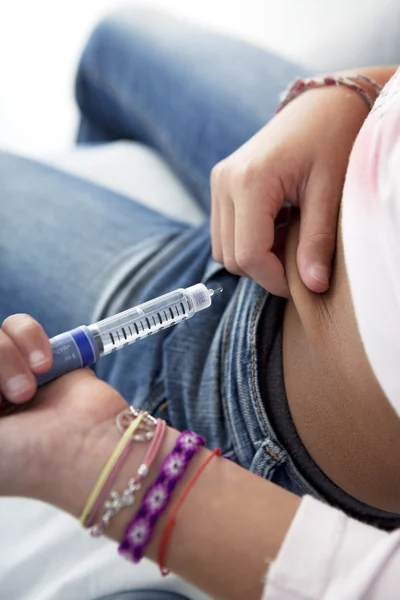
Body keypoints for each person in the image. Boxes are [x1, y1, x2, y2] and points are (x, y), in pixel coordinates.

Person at [1, 7, 400, 599]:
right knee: (117, 43)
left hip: (241, 383)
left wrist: (96, 454)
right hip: (332, 151)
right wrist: (361, 90)